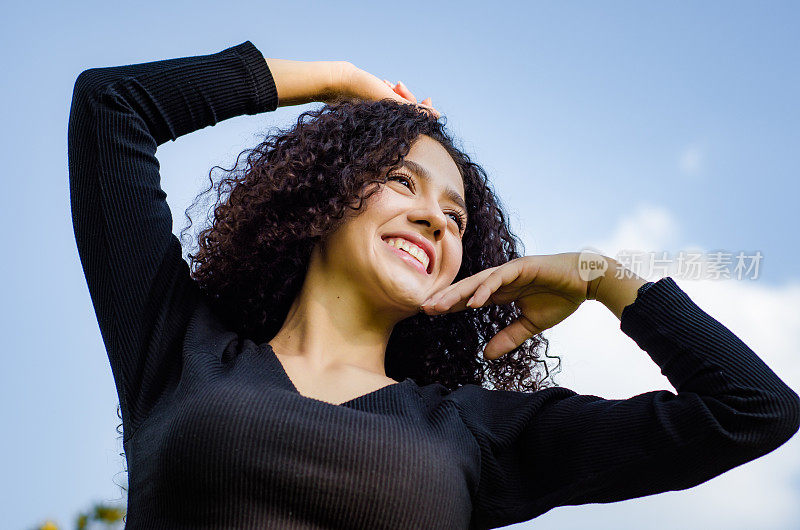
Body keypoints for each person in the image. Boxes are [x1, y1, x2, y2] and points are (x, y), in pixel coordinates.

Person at [68, 40, 800, 529]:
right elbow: (113, 107)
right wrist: (336, 84)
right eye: (399, 181)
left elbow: (754, 409)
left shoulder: (474, 429)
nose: (435, 220)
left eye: (455, 217)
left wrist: (600, 277)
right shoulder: (176, 346)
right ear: (322, 198)